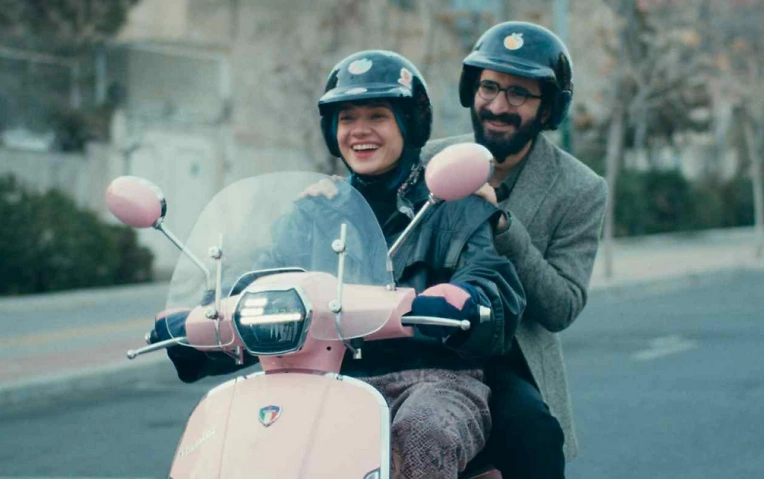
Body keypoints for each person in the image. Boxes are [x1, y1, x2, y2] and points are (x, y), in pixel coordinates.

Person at [156, 50, 525, 479]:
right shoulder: (313, 212)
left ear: (409, 123)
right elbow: (258, 285)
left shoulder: (452, 206)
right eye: (347, 118)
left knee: (422, 431)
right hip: (320, 380)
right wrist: (206, 318)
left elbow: (489, 279)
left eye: (377, 116)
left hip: (434, 380)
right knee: (237, 440)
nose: (360, 130)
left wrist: (465, 302)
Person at [421, 22, 609, 479]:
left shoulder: (581, 189)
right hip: (424, 348)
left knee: (533, 435)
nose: (498, 106)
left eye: (519, 94)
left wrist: (503, 225)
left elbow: (561, 307)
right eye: (489, 87)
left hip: (510, 361)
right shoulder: (428, 161)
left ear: (548, 109)